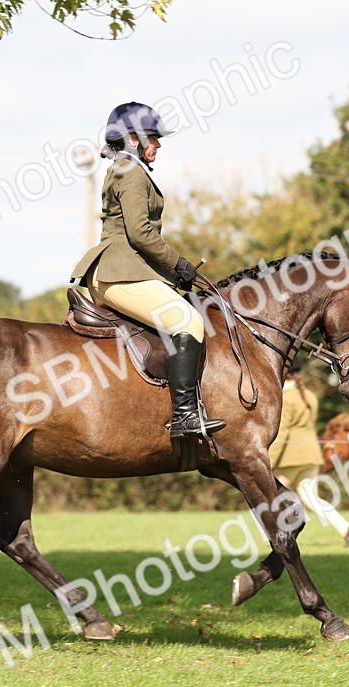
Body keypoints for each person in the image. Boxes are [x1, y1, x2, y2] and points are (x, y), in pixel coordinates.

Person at [69, 101, 225, 439]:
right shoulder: (129, 171)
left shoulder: (128, 169)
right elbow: (140, 233)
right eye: (153, 137)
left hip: (128, 270)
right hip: (118, 273)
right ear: (133, 139)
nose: (159, 144)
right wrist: (178, 264)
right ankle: (184, 416)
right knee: (187, 321)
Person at [268, 360, 349, 545]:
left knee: (273, 498)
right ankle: (345, 528)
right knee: (312, 497)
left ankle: (277, 539)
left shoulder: (286, 398)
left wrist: (270, 458)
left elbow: (283, 431)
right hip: (310, 454)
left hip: (290, 456)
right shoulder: (309, 395)